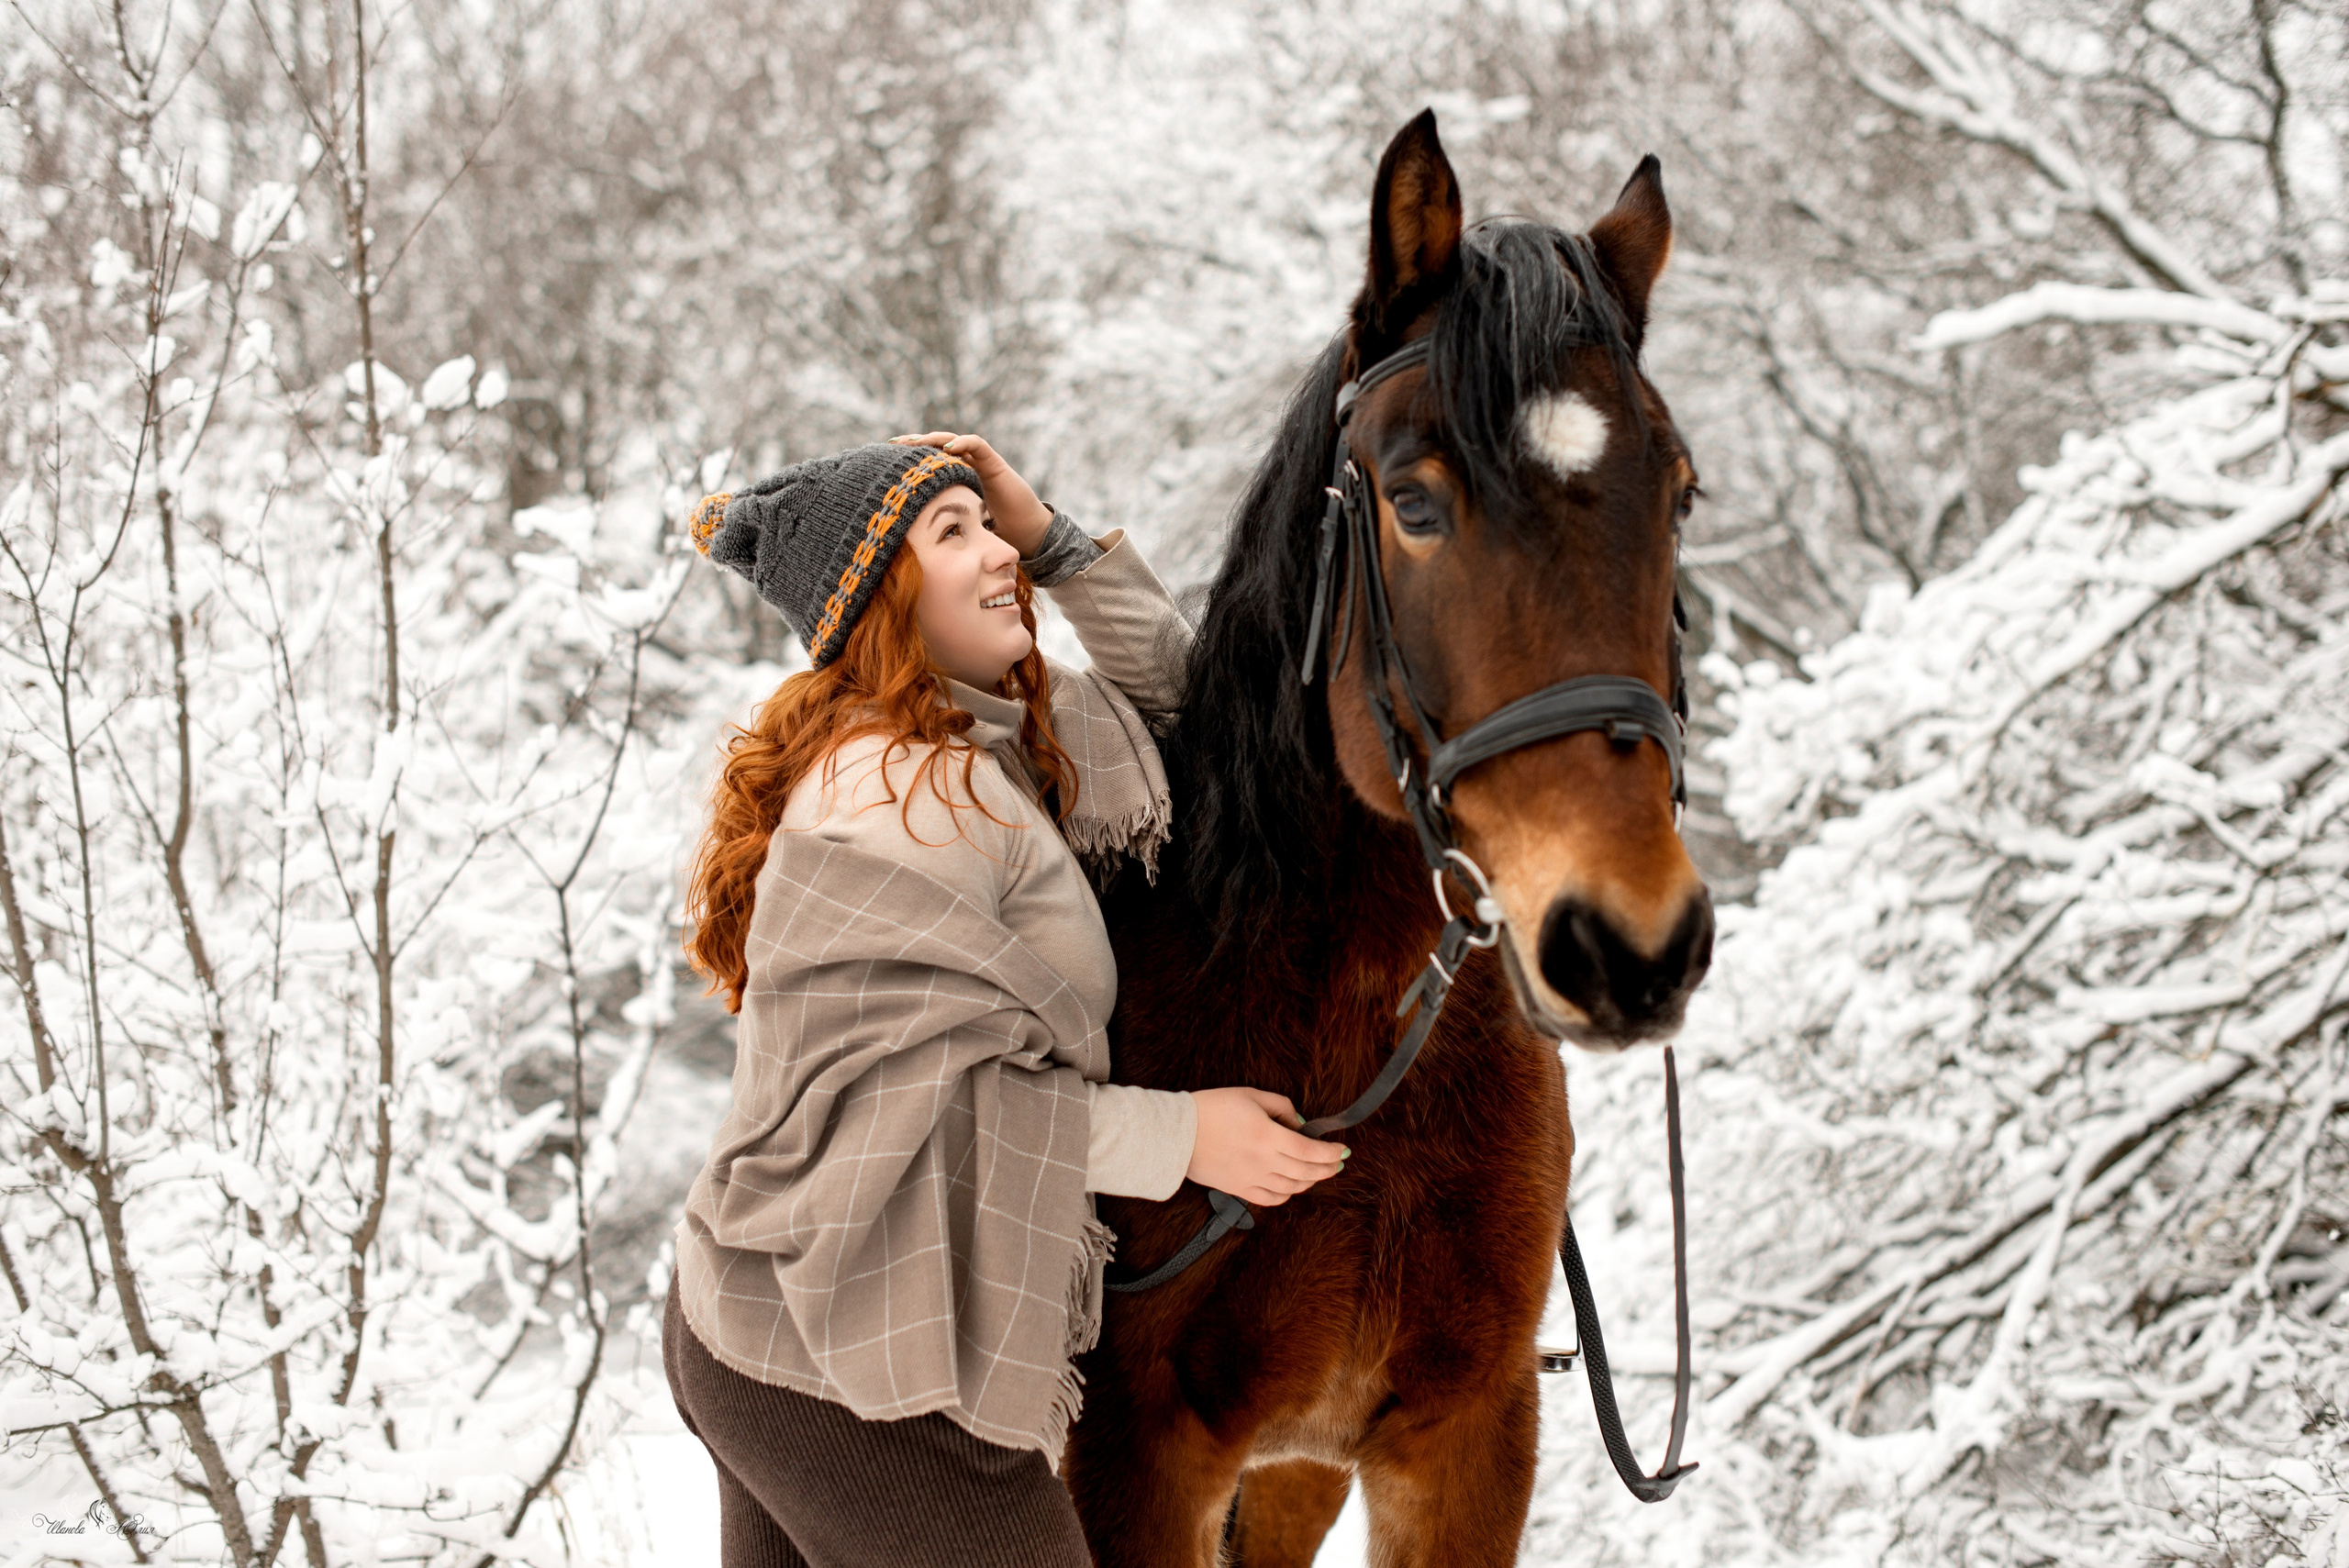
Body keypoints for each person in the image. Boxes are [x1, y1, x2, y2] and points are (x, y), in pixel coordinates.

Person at [663, 433, 1345, 1568]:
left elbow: (1216, 726)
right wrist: (1183, 1136)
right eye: (954, 533)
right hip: (834, 1356)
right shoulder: (894, 793)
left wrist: (1054, 540)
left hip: (794, 1309)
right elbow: (915, 1108)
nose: (997, 557)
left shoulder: (987, 738)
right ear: (884, 594)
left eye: (990, 527)